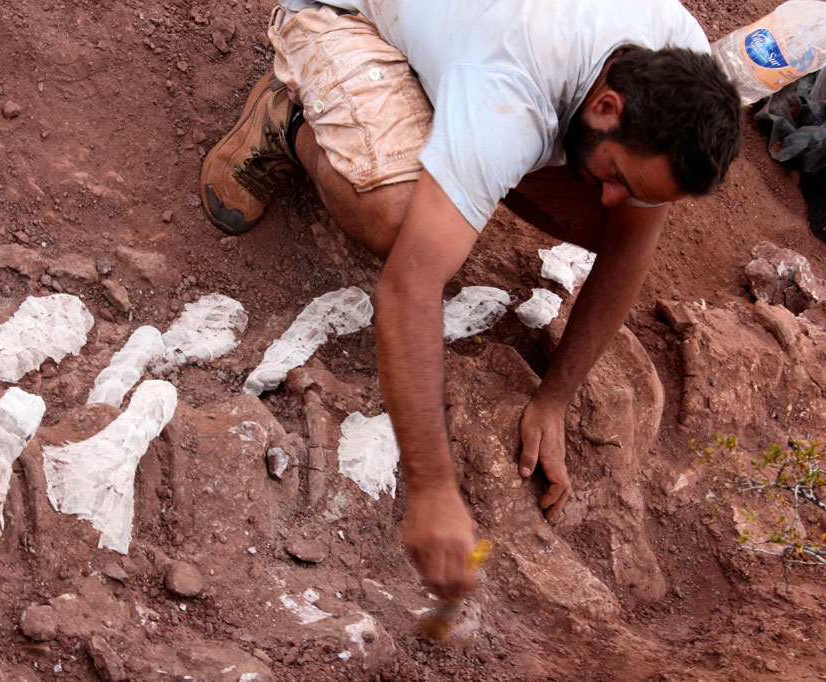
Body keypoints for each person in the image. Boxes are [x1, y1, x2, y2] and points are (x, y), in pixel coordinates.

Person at [200, 0, 742, 602]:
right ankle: (290, 118)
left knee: (615, 221)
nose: (614, 195)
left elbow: (628, 253)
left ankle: (440, 131)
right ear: (606, 105)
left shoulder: (678, 63)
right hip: (346, 14)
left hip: (471, 41)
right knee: (398, 221)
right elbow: (409, 287)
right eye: (620, 173)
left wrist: (555, 397)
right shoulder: (512, 89)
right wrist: (433, 491)